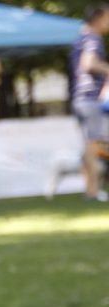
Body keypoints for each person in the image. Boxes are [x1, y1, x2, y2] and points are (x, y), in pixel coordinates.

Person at [71, 4, 109, 202]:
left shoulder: (81, 37)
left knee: (88, 146)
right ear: (99, 17)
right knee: (95, 146)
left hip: (80, 98)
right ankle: (93, 192)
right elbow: (89, 63)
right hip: (90, 98)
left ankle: (90, 190)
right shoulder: (93, 38)